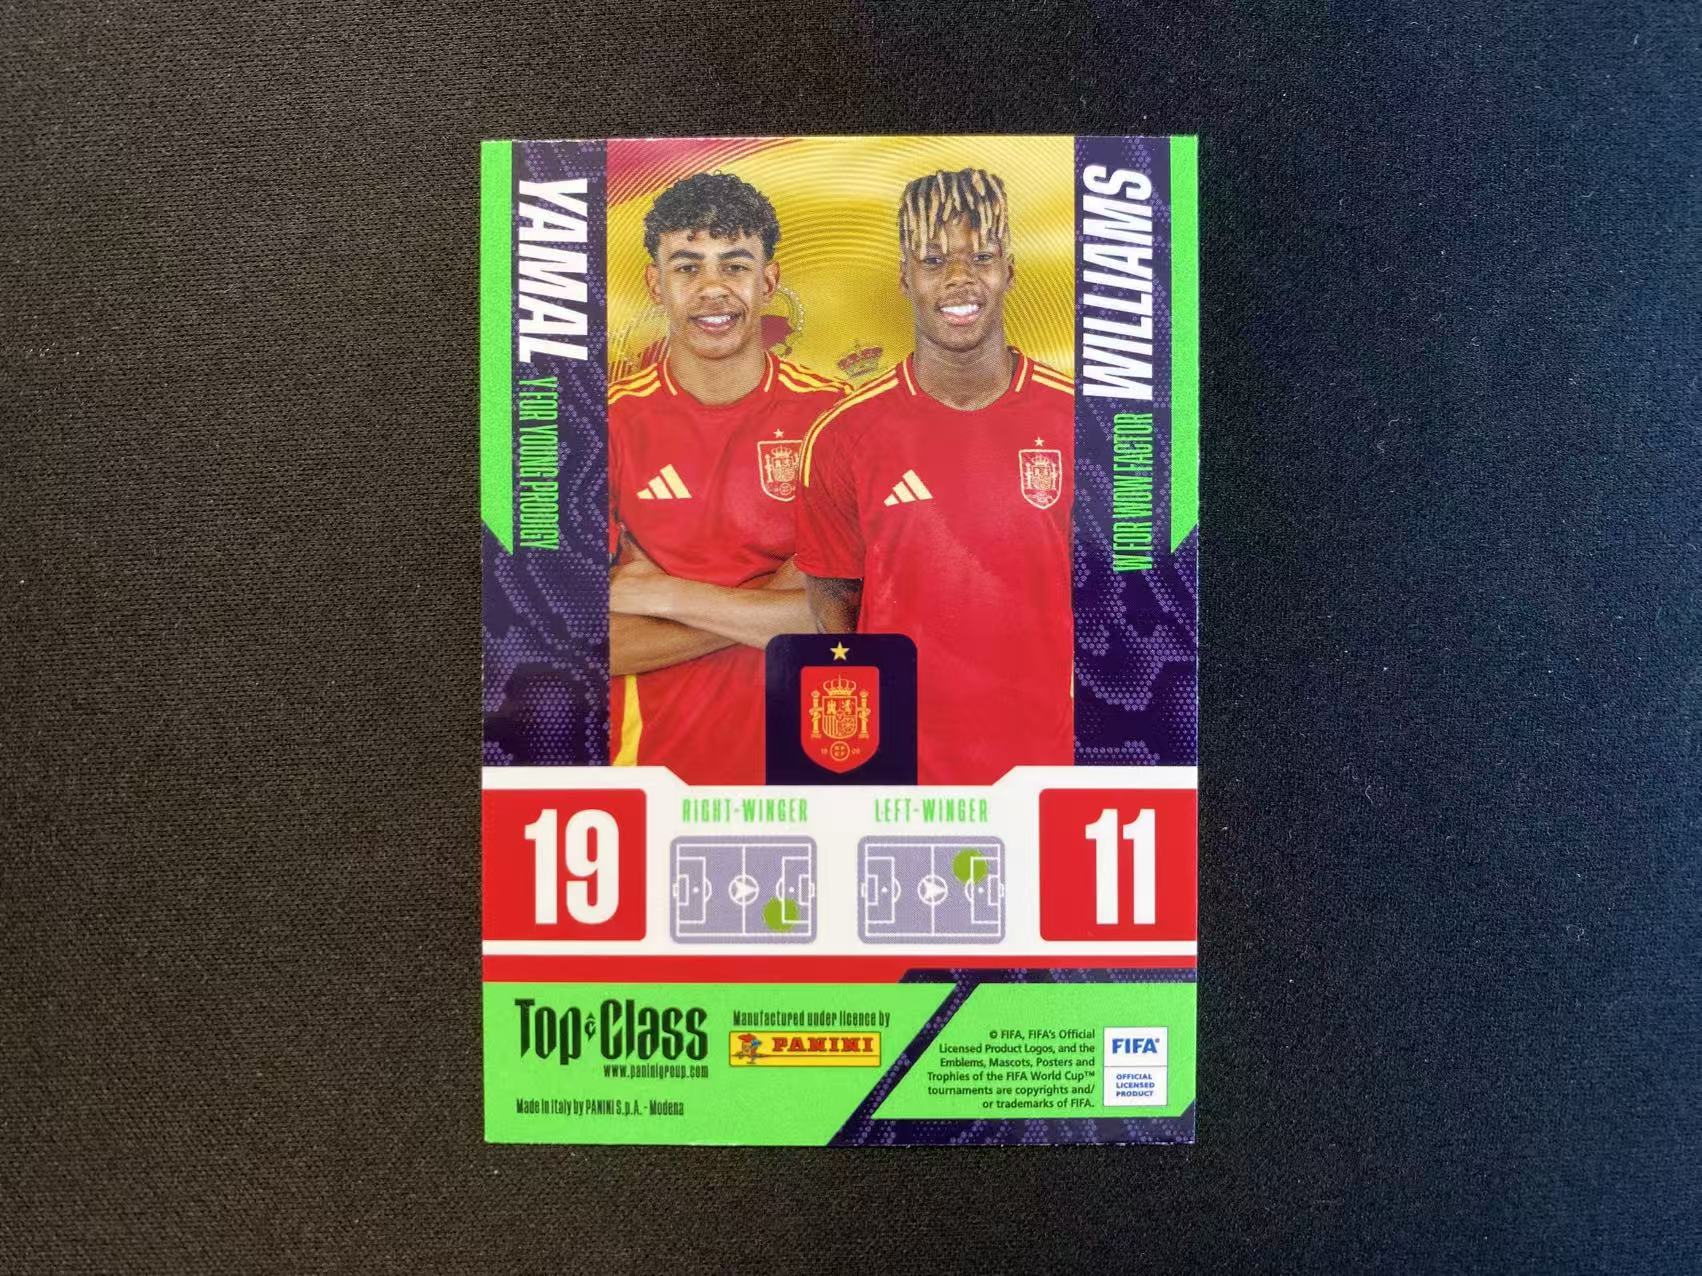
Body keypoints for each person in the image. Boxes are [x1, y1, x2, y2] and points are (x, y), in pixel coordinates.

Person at [795, 167, 1074, 784]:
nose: (959, 277)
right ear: (904, 276)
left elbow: (1117, 604)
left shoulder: (1082, 422)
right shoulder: (843, 435)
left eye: (982, 256)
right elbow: (835, 606)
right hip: (900, 781)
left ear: (1010, 271)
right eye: (933, 259)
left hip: (1050, 772)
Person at [607, 172, 844, 784]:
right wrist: (776, 607)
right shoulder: (605, 425)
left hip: (822, 766)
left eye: (734, 266)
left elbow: (851, 619)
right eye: (688, 268)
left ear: (768, 280)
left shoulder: (839, 419)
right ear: (655, 285)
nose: (713, 288)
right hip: (654, 777)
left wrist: (666, 595)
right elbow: (586, 645)